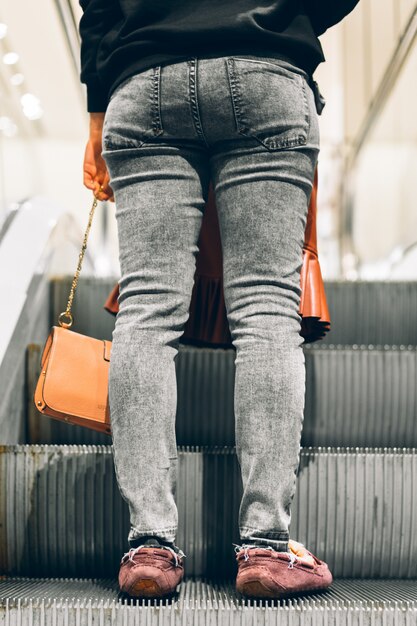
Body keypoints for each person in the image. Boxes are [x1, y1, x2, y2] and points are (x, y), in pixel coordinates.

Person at [79, 0, 359, 599]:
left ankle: (148, 543)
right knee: (265, 309)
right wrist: (292, 19)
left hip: (143, 75)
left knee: (148, 311)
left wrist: (96, 104)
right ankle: (265, 546)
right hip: (268, 70)